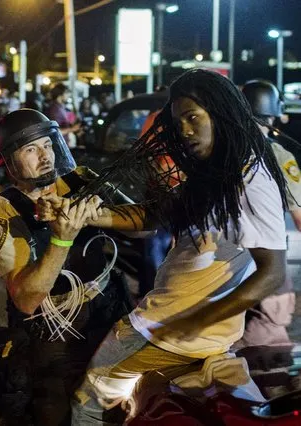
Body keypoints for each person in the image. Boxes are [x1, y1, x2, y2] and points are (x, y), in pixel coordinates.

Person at [70, 69, 288, 424]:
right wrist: (89, 216)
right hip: (190, 334)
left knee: (90, 399)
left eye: (193, 117)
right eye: (178, 122)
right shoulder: (218, 171)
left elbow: (272, 272)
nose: (184, 131)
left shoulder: (250, 179)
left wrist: (197, 320)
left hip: (165, 330)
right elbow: (152, 217)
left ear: (221, 113)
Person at [0, 109, 133, 425]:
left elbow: (144, 223)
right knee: (55, 409)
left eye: (48, 145)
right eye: (31, 149)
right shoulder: (5, 213)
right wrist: (61, 240)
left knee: (117, 403)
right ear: (9, 162)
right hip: (54, 330)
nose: (45, 156)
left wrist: (94, 214)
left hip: (106, 311)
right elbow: (25, 299)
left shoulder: (82, 179)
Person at [233, 79, 299, 348]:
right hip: (267, 265)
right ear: (273, 115)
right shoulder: (279, 156)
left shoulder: (220, 153)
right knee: (270, 339)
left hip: (221, 264)